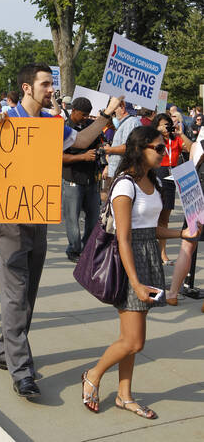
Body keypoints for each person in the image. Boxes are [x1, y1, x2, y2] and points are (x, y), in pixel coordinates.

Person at [0, 63, 124, 398]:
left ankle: (6, 350)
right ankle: (22, 371)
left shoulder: (52, 123)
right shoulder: (6, 118)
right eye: (46, 84)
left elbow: (79, 140)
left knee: (28, 293)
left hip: (39, 215)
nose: (52, 89)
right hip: (9, 217)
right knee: (15, 291)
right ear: (27, 89)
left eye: (51, 84)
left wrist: (106, 113)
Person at [81, 126, 201, 418]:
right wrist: (134, 282)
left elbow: (152, 228)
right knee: (134, 341)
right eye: (158, 148)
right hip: (129, 263)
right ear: (140, 149)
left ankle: (124, 395)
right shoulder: (125, 185)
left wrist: (181, 233)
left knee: (130, 338)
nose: (164, 152)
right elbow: (124, 237)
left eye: (164, 147)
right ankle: (93, 375)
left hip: (148, 258)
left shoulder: (152, 181)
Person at [62, 97, 102, 262]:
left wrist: (100, 149)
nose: (86, 117)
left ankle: (87, 248)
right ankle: (74, 249)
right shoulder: (64, 128)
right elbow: (58, 157)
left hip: (91, 179)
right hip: (73, 179)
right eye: (83, 114)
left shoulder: (88, 127)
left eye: (88, 115)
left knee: (93, 217)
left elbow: (100, 143)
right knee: (73, 218)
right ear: (74, 111)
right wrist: (83, 157)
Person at [166, 138, 204, 308]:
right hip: (197, 199)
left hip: (196, 199)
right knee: (187, 247)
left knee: (187, 246)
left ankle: (173, 293)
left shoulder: (198, 146)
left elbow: (188, 171)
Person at [151, 113, 192, 264]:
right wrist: (157, 132)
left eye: (168, 124)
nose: (166, 128)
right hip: (156, 174)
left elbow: (190, 148)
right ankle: (150, 251)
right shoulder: (154, 139)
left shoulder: (175, 140)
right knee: (152, 215)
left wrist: (181, 134)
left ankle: (162, 253)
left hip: (171, 176)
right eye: (163, 124)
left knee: (164, 218)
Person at [103, 101, 141, 198]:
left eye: (115, 108)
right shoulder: (126, 122)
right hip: (118, 171)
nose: (114, 112)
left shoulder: (131, 122)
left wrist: (108, 150)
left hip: (122, 172)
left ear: (122, 107)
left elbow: (128, 147)